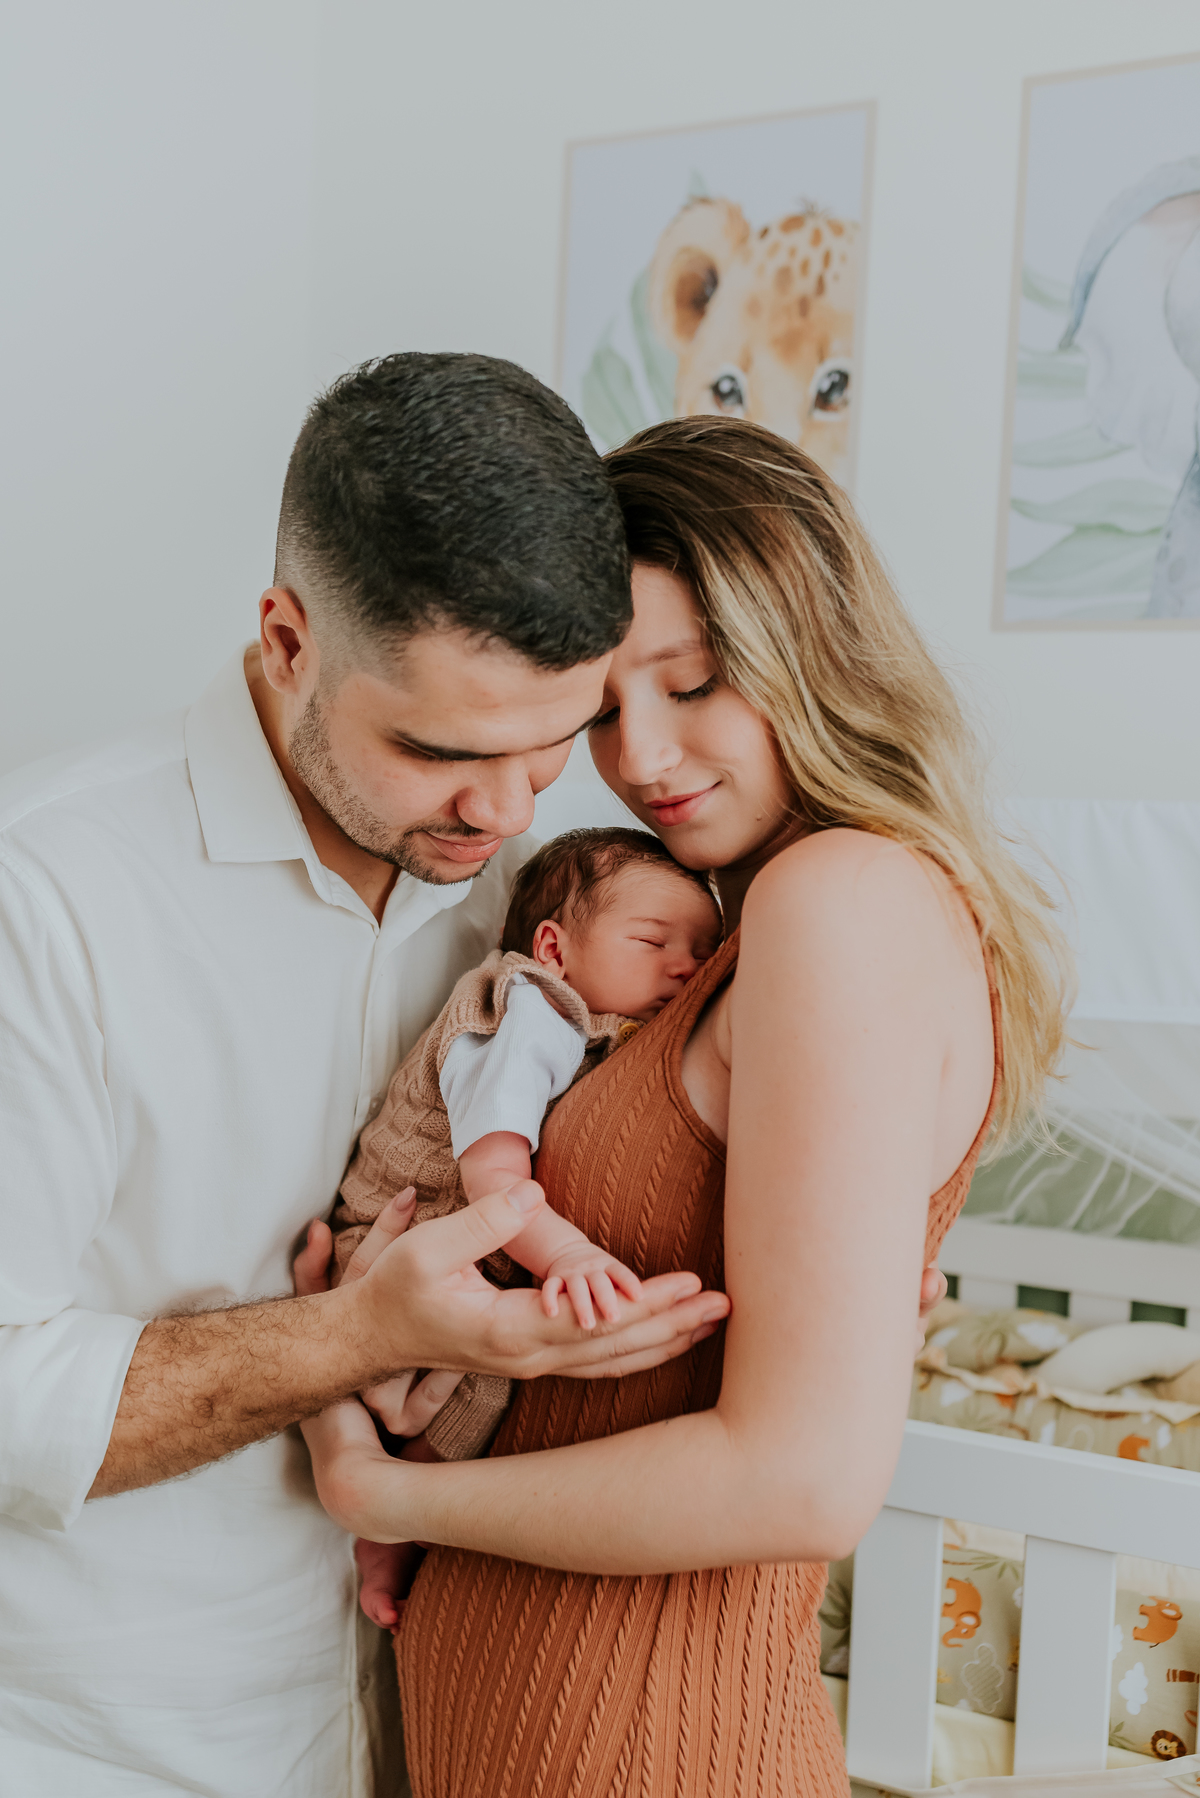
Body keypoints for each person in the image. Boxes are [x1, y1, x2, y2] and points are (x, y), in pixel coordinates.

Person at [302, 415, 1072, 1798]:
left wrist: (390, 1493)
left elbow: (804, 1476)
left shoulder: (837, 900)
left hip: (649, 1744)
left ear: (811, 650)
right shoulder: (719, 930)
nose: (641, 757)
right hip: (540, 1729)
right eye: (604, 707)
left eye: (696, 681)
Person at [0, 355, 731, 1797]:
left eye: (550, 746)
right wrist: (346, 1334)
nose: (505, 808)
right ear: (285, 637)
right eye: (442, 749)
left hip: (428, 1728)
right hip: (100, 1753)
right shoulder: (49, 898)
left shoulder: (526, 896)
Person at [336, 826, 722, 1629]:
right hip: (406, 1232)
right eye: (653, 940)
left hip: (457, 1241)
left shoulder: (597, 1023)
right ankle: (389, 1522)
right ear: (553, 945)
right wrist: (569, 1252)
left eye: (701, 948)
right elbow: (494, 1184)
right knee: (480, 1382)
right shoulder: (527, 1012)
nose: (684, 965)